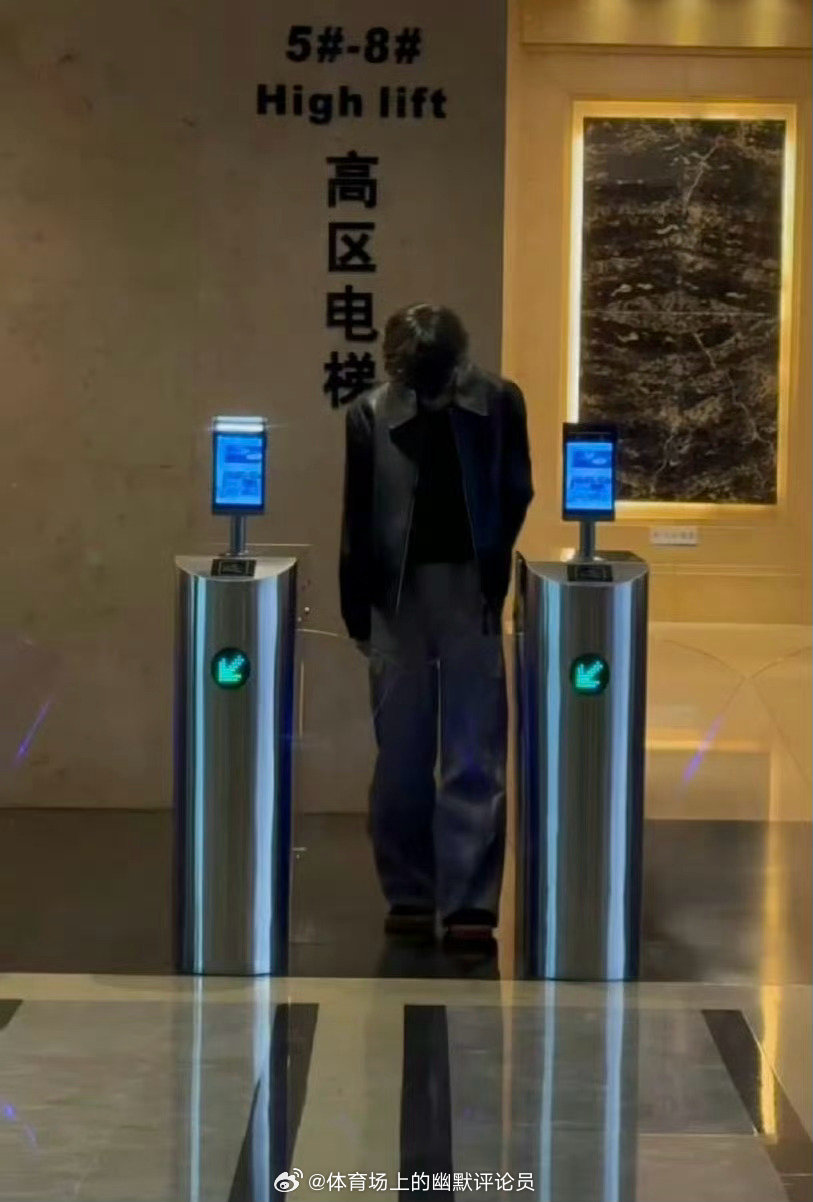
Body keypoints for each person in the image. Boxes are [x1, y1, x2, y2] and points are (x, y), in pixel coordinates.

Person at [339, 304, 533, 943]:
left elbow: (516, 488)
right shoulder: (370, 412)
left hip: (469, 587)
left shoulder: (499, 402)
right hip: (395, 595)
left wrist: (492, 565)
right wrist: (356, 605)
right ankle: (410, 892)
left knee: (475, 749)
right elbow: (358, 514)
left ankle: (471, 900)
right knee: (401, 752)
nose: (426, 392)